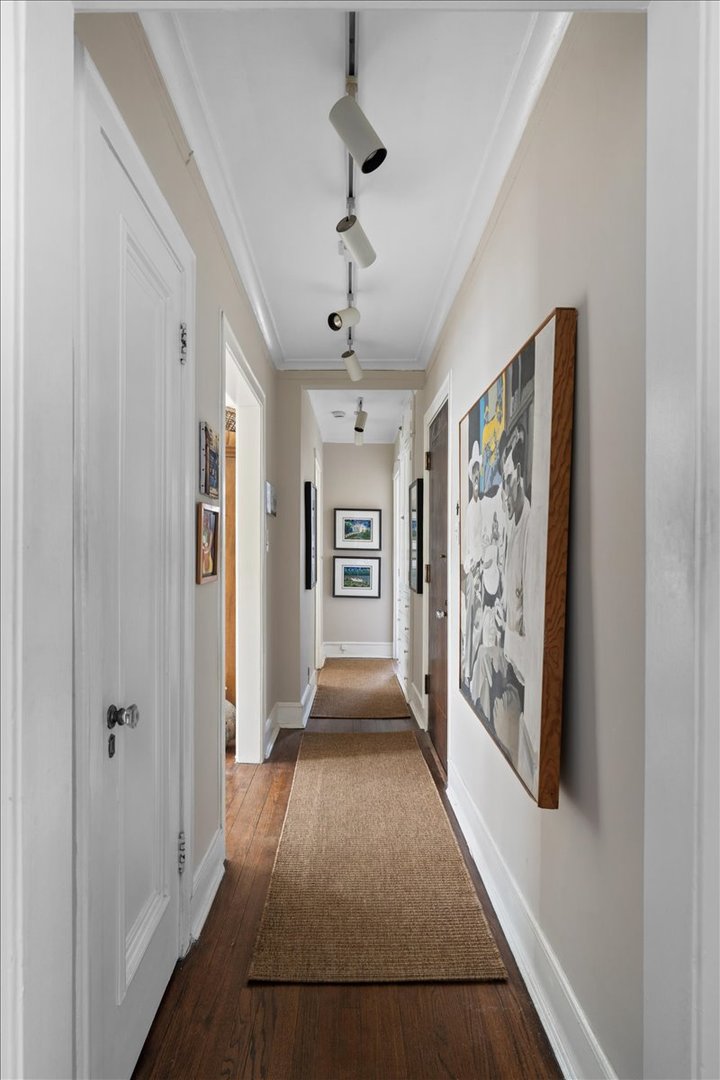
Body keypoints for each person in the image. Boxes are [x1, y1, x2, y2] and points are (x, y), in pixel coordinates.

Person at [471, 425, 532, 777]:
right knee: (480, 657)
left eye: (508, 479)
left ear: (519, 476)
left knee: (484, 658)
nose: (505, 489)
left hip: (518, 671)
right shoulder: (511, 525)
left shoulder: (528, 530)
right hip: (507, 657)